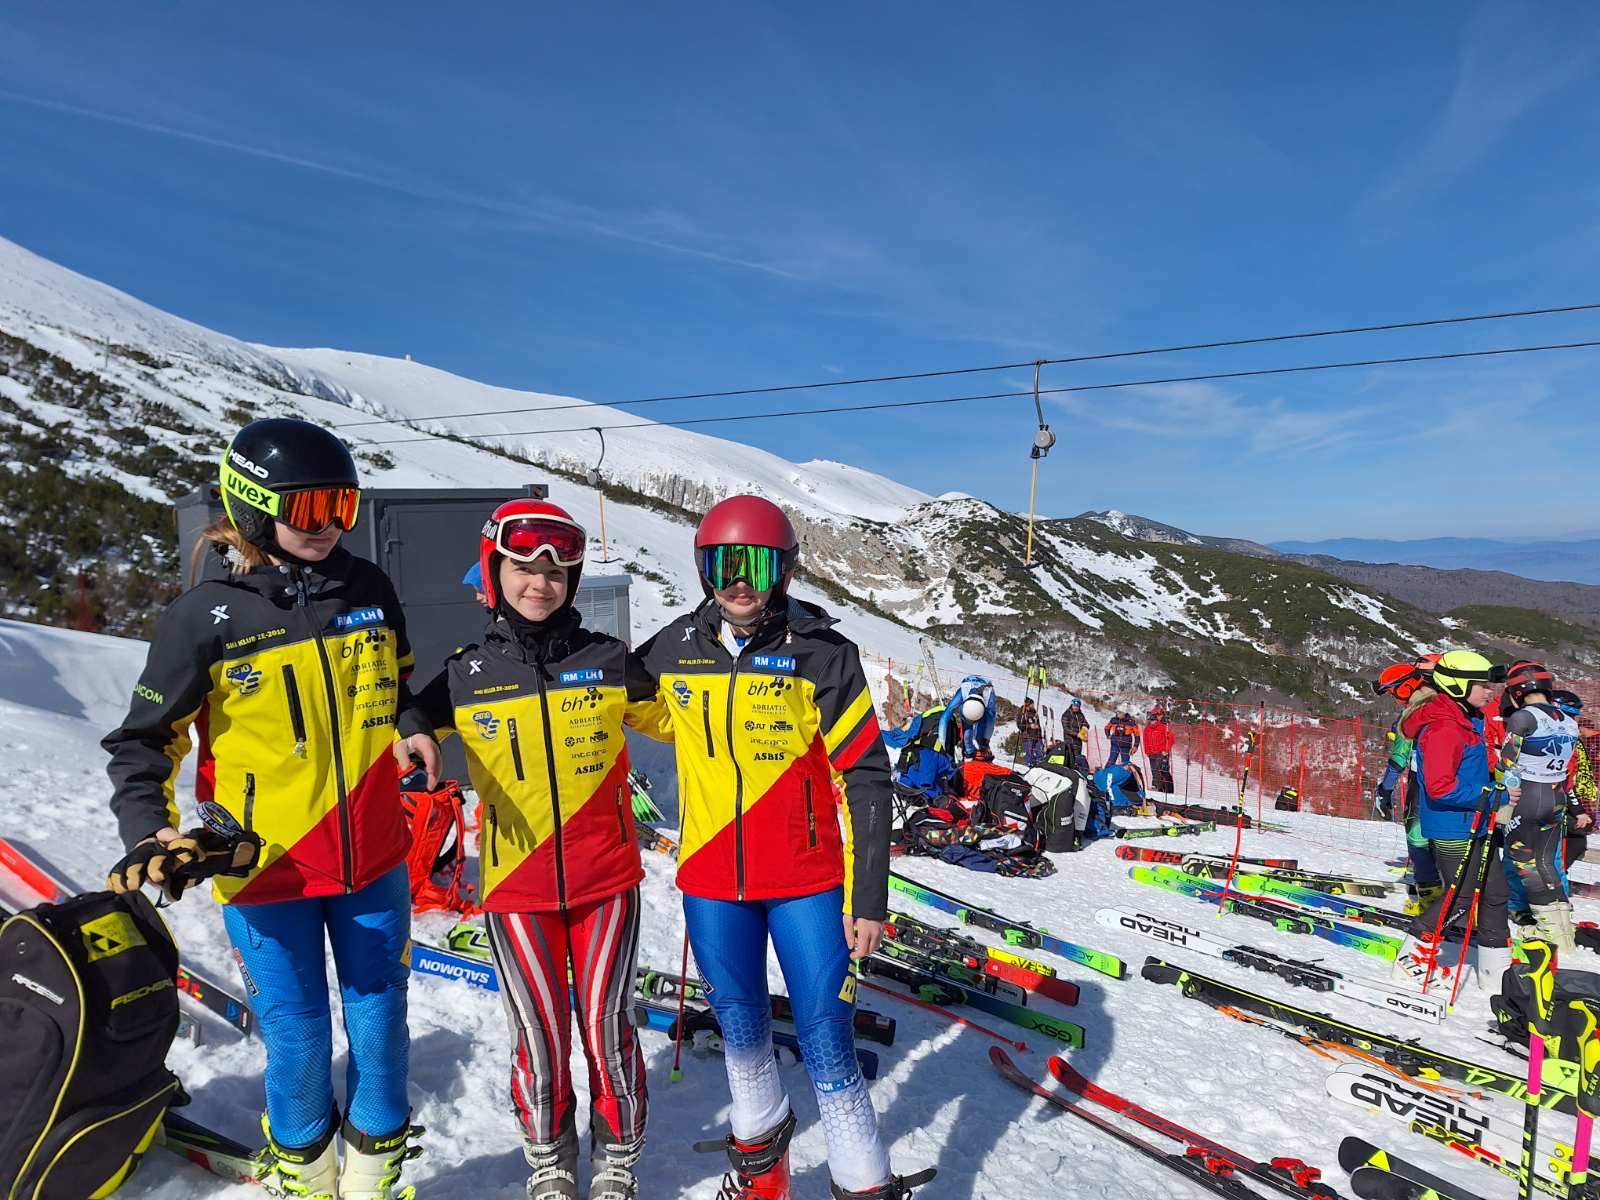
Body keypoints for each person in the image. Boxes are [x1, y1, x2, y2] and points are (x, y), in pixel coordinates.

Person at [102, 418, 421, 1200]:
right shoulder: (204, 616)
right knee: (300, 1036)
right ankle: (306, 1176)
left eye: (342, 506)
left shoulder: (368, 588)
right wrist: (150, 829)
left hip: (374, 855)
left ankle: (375, 1178)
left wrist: (411, 729)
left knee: (381, 1025)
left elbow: (400, 685)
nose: (330, 525)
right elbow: (143, 742)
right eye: (309, 509)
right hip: (265, 868)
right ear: (252, 506)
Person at [637, 495, 934, 1200]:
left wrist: (868, 899)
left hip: (806, 881)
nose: (741, 581)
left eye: (758, 565)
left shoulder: (823, 654)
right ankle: (763, 1175)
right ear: (705, 569)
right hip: (712, 879)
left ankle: (864, 1183)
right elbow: (606, 697)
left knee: (827, 1033)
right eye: (725, 565)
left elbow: (866, 776)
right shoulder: (674, 648)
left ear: (786, 571)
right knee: (740, 1028)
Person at [394, 499, 661, 1200]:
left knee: (607, 1027)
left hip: (606, 880)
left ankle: (617, 1156)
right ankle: (550, 1158)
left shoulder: (607, 660)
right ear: (494, 571)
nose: (540, 583)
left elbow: (685, 715)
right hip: (516, 887)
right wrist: (413, 730)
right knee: (538, 1033)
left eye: (556, 573)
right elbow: (411, 713)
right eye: (523, 568)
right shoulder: (468, 672)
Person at [1391, 650, 1510, 994]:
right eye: (1482, 685)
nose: (1490, 692)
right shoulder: (1444, 726)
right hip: (1453, 826)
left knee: (1495, 892)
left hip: (1475, 820)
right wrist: (1494, 795)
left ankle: (1496, 972)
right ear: (1458, 686)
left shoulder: (1466, 718)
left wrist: (1496, 782)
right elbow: (1440, 786)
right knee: (1460, 896)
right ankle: (1411, 960)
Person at [1497, 662, 1582, 952]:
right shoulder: (1568, 720)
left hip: (1528, 796)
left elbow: (1506, 764)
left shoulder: (1522, 717)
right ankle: (1562, 930)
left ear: (1516, 693)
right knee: (1547, 862)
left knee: (1524, 862)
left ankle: (1547, 929)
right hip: (1556, 795)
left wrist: (1503, 801)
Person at [1373, 656, 1444, 915]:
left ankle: (1429, 901)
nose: (1395, 699)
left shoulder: (1414, 712)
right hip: (1457, 783)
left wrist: (1385, 789)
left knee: (1418, 838)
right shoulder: (1453, 705)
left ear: (1405, 687)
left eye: (1394, 693)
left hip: (1424, 782)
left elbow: (1399, 757)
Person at [1553, 690, 1596, 869]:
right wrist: (1578, 810)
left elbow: (1566, 781)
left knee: (1578, 837)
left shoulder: (1570, 741)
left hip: (1558, 800)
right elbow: (1563, 781)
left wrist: (1578, 809)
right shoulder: (1559, 740)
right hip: (1541, 804)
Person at [938, 675, 996, 758]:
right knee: (967, 730)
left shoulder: (990, 700)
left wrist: (985, 741)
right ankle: (968, 753)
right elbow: (945, 717)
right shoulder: (962, 693)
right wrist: (941, 744)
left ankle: (978, 751)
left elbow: (990, 723)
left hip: (982, 705)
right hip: (968, 692)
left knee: (981, 732)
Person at [1143, 706, 1175, 793]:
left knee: (1163, 771)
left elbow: (1171, 739)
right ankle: (1159, 788)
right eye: (1156, 715)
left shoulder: (1164, 726)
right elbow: (1145, 741)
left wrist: (1166, 750)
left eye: (1160, 714)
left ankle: (1167, 790)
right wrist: (1147, 751)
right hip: (1152, 753)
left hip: (1162, 752)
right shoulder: (1147, 729)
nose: (1158, 716)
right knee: (1155, 770)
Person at [1060, 698, 1090, 771]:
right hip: (1069, 740)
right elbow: (1066, 729)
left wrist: (1084, 729)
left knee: (1078, 758)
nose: (1076, 707)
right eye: (1074, 705)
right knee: (1070, 757)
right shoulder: (1067, 714)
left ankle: (1076, 771)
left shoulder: (1080, 715)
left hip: (1078, 741)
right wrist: (1077, 734)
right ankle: (1068, 770)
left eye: (1077, 706)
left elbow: (1086, 723)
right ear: (1072, 705)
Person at [1017, 697, 1044, 766]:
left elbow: (1038, 724)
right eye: (1032, 704)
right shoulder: (1022, 713)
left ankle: (1040, 765)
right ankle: (1029, 765)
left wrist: (1040, 737)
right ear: (1027, 705)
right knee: (1030, 754)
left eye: (1033, 704)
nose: (1033, 706)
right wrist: (1030, 726)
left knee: (1040, 752)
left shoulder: (1034, 712)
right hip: (1027, 737)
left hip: (1037, 736)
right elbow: (1020, 725)